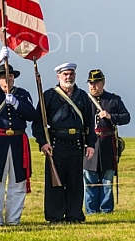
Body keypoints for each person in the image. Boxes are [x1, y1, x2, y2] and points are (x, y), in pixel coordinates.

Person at [0, 47, 36, 226]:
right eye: (3, 76)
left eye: (10, 75)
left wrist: (17, 103)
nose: (7, 78)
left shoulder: (22, 94)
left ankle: (13, 220)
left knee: (17, 183)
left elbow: (32, 115)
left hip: (18, 142)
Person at [36, 62, 95, 224]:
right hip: (56, 144)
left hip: (76, 144)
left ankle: (74, 215)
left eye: (71, 74)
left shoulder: (82, 96)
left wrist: (90, 144)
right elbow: (38, 123)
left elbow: (89, 122)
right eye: (65, 74)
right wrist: (42, 143)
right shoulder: (49, 96)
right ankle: (55, 216)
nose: (68, 77)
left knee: (75, 182)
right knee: (55, 183)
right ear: (58, 76)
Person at [83, 69, 130, 214]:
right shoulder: (83, 100)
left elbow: (126, 117)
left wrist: (111, 116)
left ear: (103, 83)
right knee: (90, 180)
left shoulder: (113, 100)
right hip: (90, 143)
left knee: (107, 181)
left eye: (96, 83)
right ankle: (91, 210)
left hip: (107, 144)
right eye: (91, 83)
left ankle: (106, 209)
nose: (93, 86)